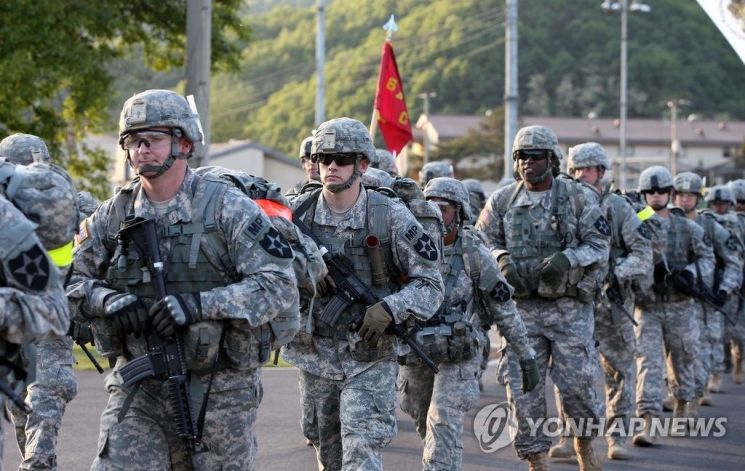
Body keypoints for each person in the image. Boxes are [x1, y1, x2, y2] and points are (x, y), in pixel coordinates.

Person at [67, 89, 298, 470]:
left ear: (184, 143)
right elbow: (70, 281)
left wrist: (197, 306)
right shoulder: (114, 214)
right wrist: (109, 301)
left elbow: (278, 284)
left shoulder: (227, 207)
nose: (142, 149)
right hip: (139, 385)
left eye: (153, 139)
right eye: (133, 141)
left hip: (221, 389)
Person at [282, 117, 443, 470]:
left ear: (363, 165)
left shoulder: (390, 217)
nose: (331, 167)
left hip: (370, 356)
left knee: (361, 451)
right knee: (328, 454)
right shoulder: (296, 213)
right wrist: (305, 267)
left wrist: (391, 308)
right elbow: (262, 261)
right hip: (316, 356)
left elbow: (431, 284)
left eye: (342, 160)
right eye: (324, 159)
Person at [476, 126, 610, 471]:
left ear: (552, 159)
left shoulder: (579, 199)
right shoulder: (503, 200)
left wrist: (569, 258)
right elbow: (479, 243)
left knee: (578, 387)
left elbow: (599, 245)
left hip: (569, 310)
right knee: (522, 390)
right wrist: (501, 257)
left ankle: (584, 444)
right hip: (521, 312)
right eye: (521, 156)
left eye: (535, 156)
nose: (527, 163)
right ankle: (536, 459)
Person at [397, 177, 538, 469]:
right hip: (416, 347)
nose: (435, 213)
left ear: (459, 213)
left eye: (444, 208)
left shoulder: (475, 253)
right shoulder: (407, 249)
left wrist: (525, 355)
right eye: (430, 206)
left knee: (443, 417)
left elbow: (504, 308)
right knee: (423, 417)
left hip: (458, 351)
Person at [548, 142, 651, 461]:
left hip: (611, 304)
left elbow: (643, 253)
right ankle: (569, 435)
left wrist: (617, 271)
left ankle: (616, 435)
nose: (580, 176)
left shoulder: (618, 207)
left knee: (619, 370)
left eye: (587, 170)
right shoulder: (562, 205)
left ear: (602, 172)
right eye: (575, 170)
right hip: (575, 304)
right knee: (570, 372)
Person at [0, 133, 80, 470]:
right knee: (20, 406)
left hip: (49, 322)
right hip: (20, 326)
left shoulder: (63, 203)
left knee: (45, 395)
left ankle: (38, 461)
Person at [631, 166, 714, 447]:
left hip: (680, 306)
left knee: (683, 361)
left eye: (661, 191)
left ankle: (683, 403)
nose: (655, 196)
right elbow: (624, 251)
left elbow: (707, 259)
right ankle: (649, 420)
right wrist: (643, 271)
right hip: (648, 306)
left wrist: (690, 273)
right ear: (644, 195)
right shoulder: (637, 221)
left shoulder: (687, 227)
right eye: (650, 192)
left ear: (670, 194)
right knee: (648, 364)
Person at [671, 176, 742, 410]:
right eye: (680, 194)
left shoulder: (711, 225)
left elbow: (733, 261)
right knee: (669, 354)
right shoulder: (656, 216)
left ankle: (693, 398)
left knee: (700, 350)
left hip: (703, 301)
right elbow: (633, 218)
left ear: (699, 199)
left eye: (690, 195)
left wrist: (724, 290)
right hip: (668, 300)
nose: (684, 199)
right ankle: (675, 394)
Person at [706, 184, 745, 386]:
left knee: (735, 332)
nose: (719, 208)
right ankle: (715, 374)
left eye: (722, 204)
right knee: (714, 333)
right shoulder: (703, 220)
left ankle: (739, 360)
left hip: (732, 282)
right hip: (708, 281)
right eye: (715, 204)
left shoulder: (735, 223)